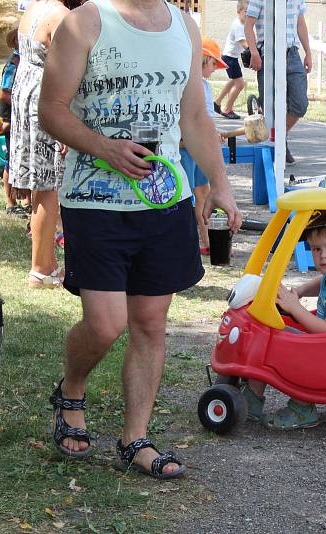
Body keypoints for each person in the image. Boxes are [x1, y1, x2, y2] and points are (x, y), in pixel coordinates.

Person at [39, 0, 242, 479]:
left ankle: (135, 439)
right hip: (95, 199)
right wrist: (104, 147)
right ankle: (71, 389)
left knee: (150, 323)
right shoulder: (86, 21)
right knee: (106, 324)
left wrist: (220, 184)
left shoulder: (185, 26)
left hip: (162, 199)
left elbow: (194, 115)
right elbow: (50, 109)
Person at [242, 210, 326, 430]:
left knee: (279, 343)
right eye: (316, 249)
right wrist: (299, 291)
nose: (323, 256)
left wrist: (295, 306)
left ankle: (303, 408)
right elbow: (321, 282)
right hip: (325, 347)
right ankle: (251, 397)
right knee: (268, 333)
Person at [10, 0, 82, 288]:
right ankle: (41, 268)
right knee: (49, 187)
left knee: (42, 187)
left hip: (26, 91)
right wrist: (68, 124)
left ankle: (45, 264)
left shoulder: (33, 9)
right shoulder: (62, 17)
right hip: (47, 99)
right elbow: (68, 72)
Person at [244, 0, 311, 166]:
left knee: (300, 103)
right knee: (271, 106)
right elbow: (248, 25)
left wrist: (308, 52)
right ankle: (275, 145)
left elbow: (300, 23)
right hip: (268, 51)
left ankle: (280, 138)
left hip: (292, 53)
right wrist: (254, 52)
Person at [180, 37, 228, 256]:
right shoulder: (187, 82)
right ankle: (187, 240)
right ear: (203, 59)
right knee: (187, 195)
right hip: (185, 147)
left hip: (199, 148)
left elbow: (206, 118)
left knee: (203, 192)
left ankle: (208, 239)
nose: (215, 69)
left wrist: (212, 135)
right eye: (213, 64)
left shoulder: (206, 86)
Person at [0, 28, 27, 219]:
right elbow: (5, 93)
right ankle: (10, 203)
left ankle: (26, 200)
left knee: (23, 157)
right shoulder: (14, 63)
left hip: (21, 116)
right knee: (12, 160)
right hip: (11, 117)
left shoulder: (24, 60)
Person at [213, 0, 248, 120]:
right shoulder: (238, 25)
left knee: (234, 81)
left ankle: (217, 102)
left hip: (230, 57)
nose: (247, 15)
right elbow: (242, 42)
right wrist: (252, 49)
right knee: (240, 84)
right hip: (230, 58)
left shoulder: (242, 24)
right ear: (238, 11)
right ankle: (228, 109)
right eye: (245, 12)